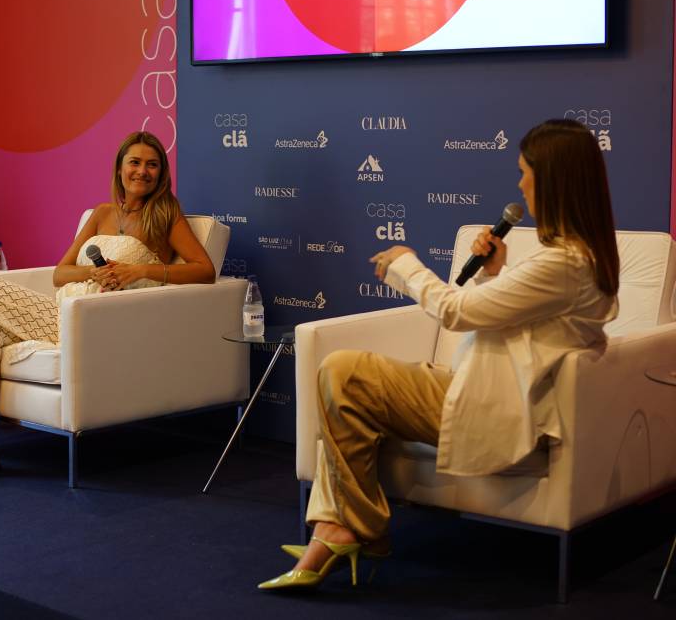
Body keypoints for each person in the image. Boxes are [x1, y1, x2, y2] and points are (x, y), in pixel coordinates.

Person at [259, 119, 620, 591]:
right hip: (486, 386)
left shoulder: (564, 263)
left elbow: (454, 310)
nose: (520, 184)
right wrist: (494, 272)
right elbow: (517, 322)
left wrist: (406, 264)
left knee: (343, 373)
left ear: (551, 180)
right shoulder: (578, 257)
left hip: (497, 407)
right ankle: (338, 527)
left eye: (524, 172)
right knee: (344, 391)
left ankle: (348, 529)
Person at [0, 131, 216, 480]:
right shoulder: (101, 213)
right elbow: (60, 273)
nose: (143, 171)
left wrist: (139, 270)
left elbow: (205, 270)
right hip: (62, 308)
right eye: (135, 162)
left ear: (162, 173)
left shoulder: (165, 216)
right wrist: (94, 274)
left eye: (152, 164)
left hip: (98, 321)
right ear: (119, 169)